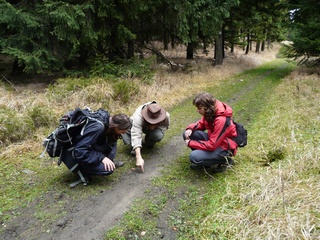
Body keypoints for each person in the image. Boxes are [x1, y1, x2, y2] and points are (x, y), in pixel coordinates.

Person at [60, 112, 131, 180]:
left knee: (113, 138)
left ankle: (109, 162)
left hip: (88, 147)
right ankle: (82, 170)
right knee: (108, 170)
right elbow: (80, 151)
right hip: (74, 153)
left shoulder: (109, 122)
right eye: (123, 131)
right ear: (116, 127)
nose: (124, 133)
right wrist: (101, 158)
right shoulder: (97, 128)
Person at [183, 92, 238, 172]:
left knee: (194, 156)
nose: (197, 110)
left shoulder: (221, 120)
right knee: (188, 134)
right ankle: (206, 161)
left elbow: (212, 145)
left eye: (199, 108)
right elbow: (201, 124)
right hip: (216, 141)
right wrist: (190, 129)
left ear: (206, 107)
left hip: (225, 148)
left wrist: (191, 143)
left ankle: (225, 160)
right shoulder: (211, 111)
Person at [122, 101, 170, 173]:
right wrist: (138, 157)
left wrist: (154, 126)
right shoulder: (138, 115)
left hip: (153, 128)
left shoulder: (166, 116)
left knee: (158, 135)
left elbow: (165, 127)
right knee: (125, 125)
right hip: (137, 124)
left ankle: (149, 142)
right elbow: (136, 134)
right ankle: (134, 146)